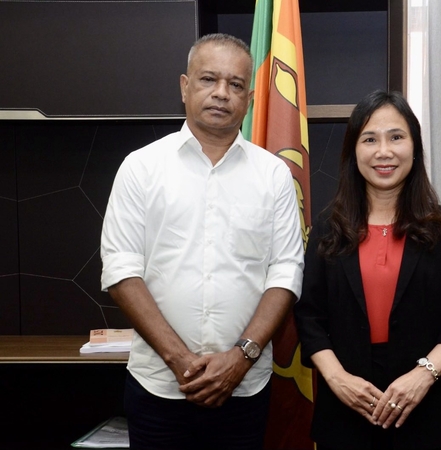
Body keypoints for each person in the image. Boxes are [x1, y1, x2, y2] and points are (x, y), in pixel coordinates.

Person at [100, 33, 304, 450]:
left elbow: (286, 271)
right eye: (208, 79)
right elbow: (121, 269)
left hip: (243, 388)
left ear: (248, 97)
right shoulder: (140, 168)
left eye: (234, 85)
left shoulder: (273, 175)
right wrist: (179, 359)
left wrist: (240, 357)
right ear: (184, 86)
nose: (221, 94)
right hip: (158, 387)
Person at [294, 90, 441, 450]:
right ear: (353, 151)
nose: (384, 151)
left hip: (427, 408)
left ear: (414, 147)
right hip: (348, 408)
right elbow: (309, 316)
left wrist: (423, 375)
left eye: (396, 137)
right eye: (370, 139)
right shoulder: (328, 226)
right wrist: (337, 379)